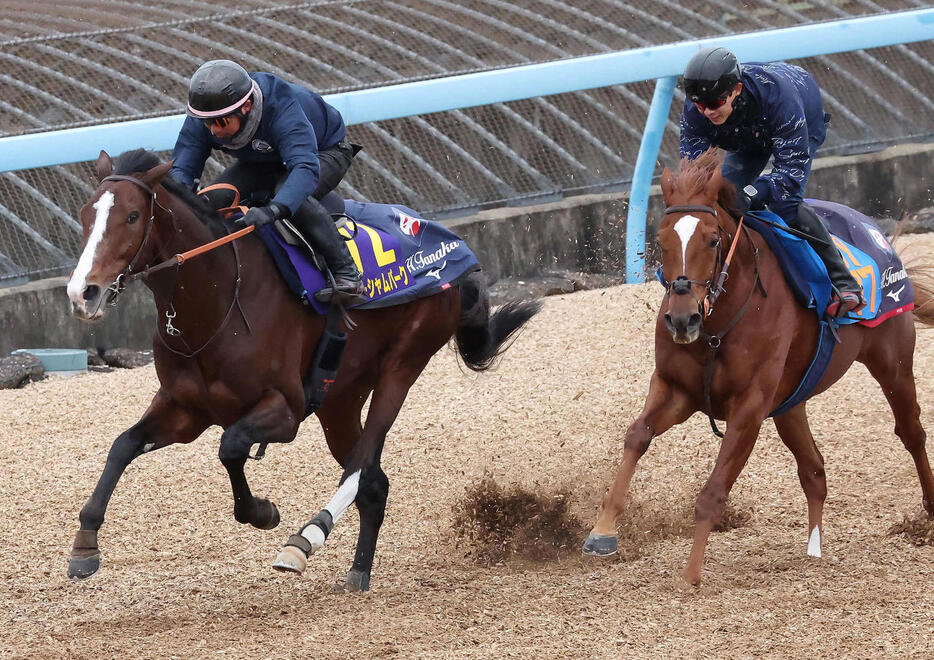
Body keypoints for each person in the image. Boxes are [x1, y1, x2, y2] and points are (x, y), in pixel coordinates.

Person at [679, 46, 864, 317]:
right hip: (745, 137)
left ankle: (844, 281)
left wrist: (754, 193)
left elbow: (789, 174)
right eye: (700, 105)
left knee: (784, 203)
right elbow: (694, 173)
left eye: (716, 103)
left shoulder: (780, 98)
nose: (707, 112)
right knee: (719, 200)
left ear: (737, 90)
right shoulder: (697, 109)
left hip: (797, 116)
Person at [170, 59, 365, 304]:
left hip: (324, 152)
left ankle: (347, 273)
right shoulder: (208, 114)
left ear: (247, 106)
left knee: (289, 194)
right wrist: (178, 200)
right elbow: (183, 168)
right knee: (211, 201)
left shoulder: (280, 105)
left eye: (220, 123)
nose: (213, 131)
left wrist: (272, 210)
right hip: (263, 160)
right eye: (207, 123)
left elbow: (304, 168)